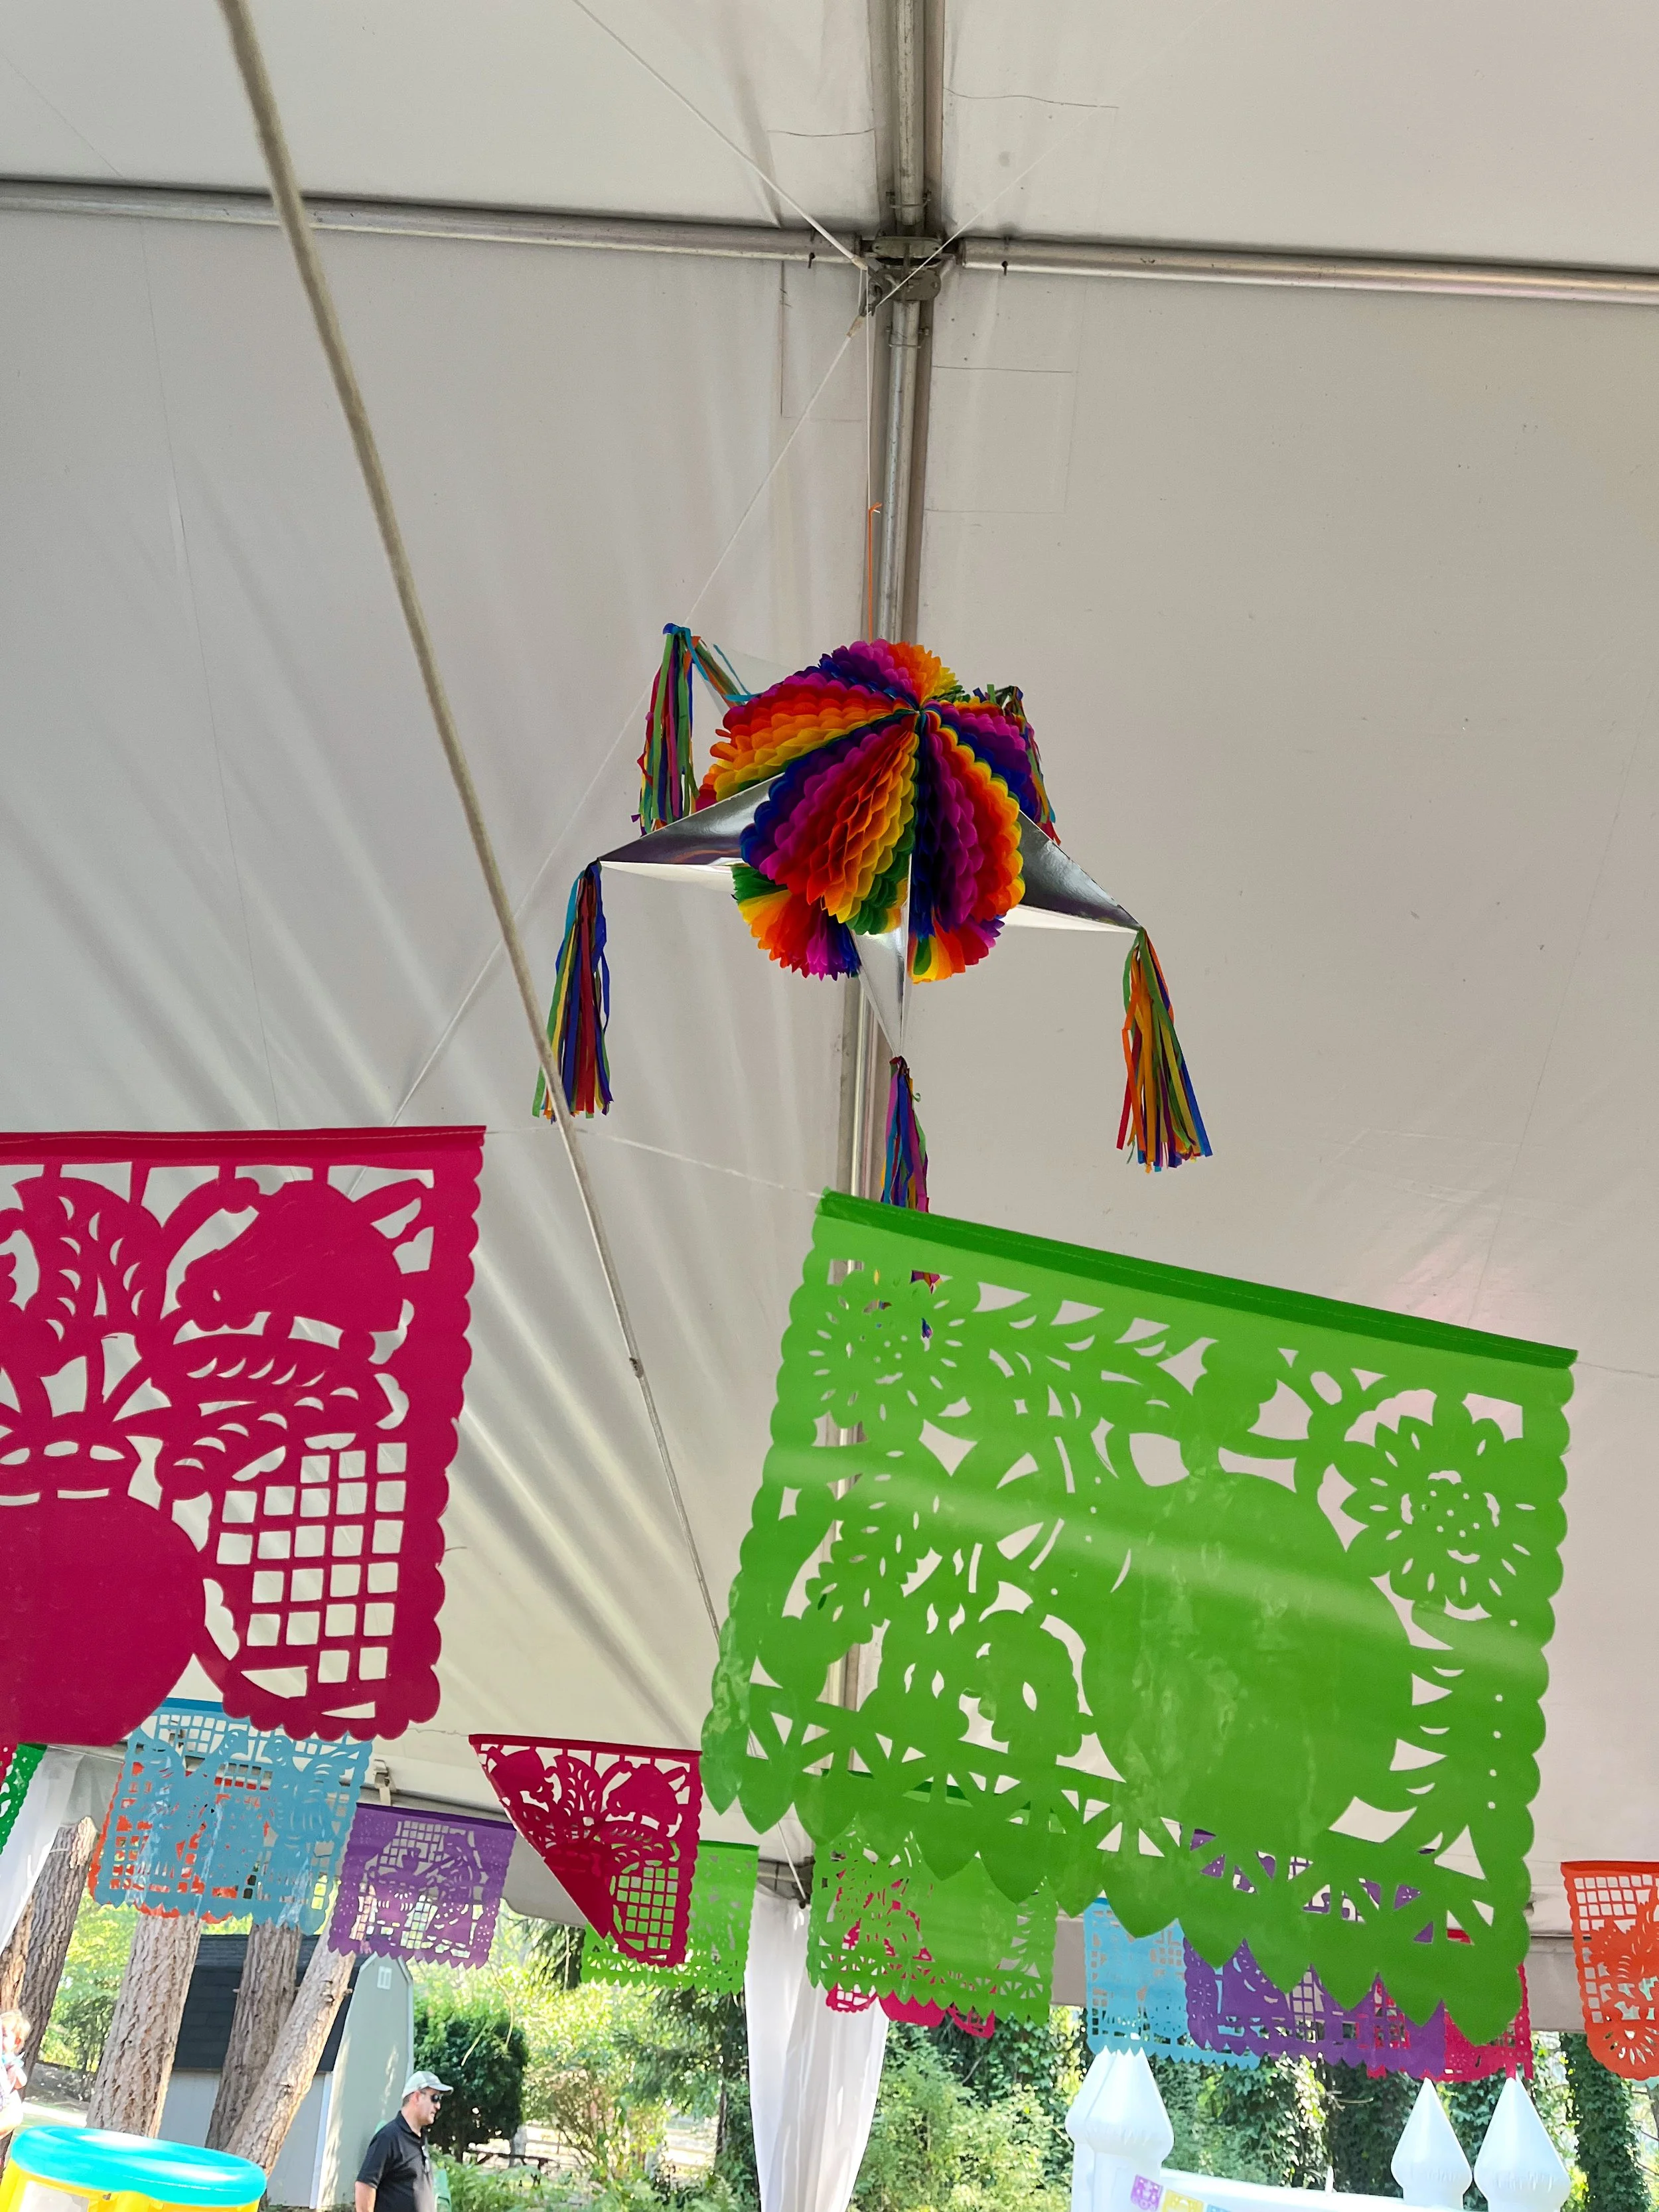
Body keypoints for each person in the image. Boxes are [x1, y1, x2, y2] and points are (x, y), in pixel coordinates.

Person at [355, 2070, 451, 2212]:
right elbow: (364, 2186)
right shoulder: (389, 2137)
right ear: (417, 2097)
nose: (438, 2106)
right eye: (435, 2098)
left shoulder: (420, 2139)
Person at [0, 2010, 29, 2134]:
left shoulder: (10, 2061)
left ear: (16, 2042)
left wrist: (14, 2072)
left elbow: (21, 2082)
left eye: (4, 2035)